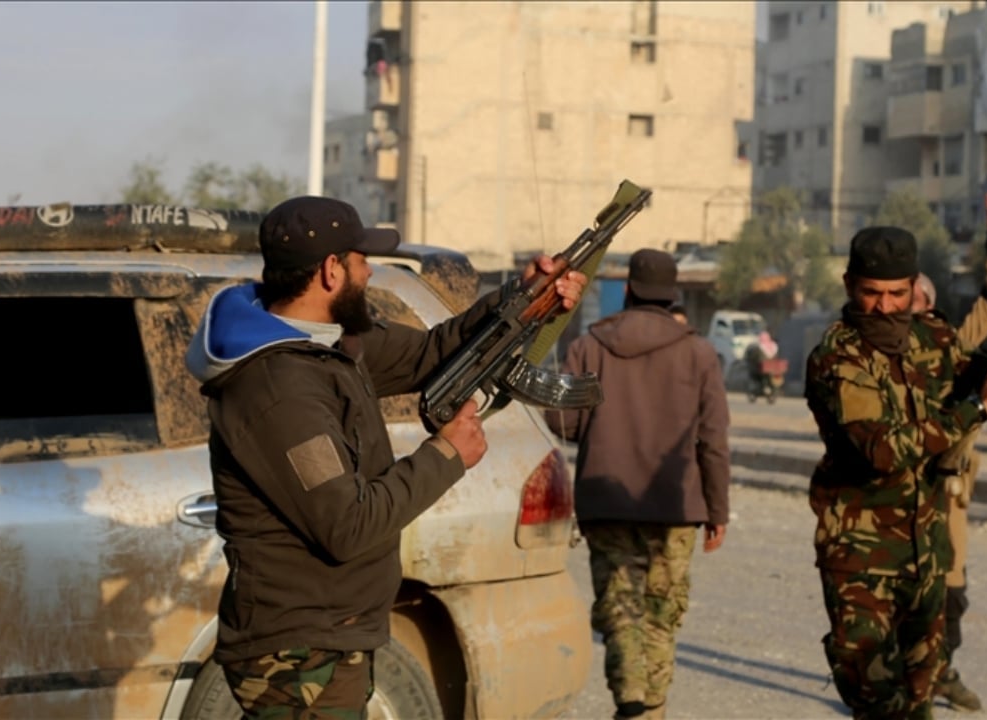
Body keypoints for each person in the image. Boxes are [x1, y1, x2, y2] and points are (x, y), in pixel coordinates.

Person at [184, 195, 587, 718]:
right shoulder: (279, 391)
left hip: (328, 635)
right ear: (331, 271)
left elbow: (431, 352)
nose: (370, 271)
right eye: (361, 259)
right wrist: (446, 454)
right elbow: (347, 523)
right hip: (299, 656)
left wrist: (524, 297)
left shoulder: (325, 342)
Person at [803, 224, 987, 720]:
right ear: (848, 286)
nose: (884, 307)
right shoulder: (836, 358)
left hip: (927, 553)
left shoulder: (935, 338)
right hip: (862, 562)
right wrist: (977, 410)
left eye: (896, 294)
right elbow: (882, 451)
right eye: (872, 294)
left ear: (913, 290)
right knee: (880, 705)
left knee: (921, 701)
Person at [545, 249, 730, 720]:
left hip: (606, 502)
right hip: (676, 507)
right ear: (673, 296)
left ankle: (631, 699)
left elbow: (562, 420)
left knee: (619, 608)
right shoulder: (700, 353)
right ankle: (650, 707)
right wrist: (718, 510)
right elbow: (713, 439)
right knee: (662, 612)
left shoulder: (589, 347)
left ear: (627, 291)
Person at [911, 189, 987, 713]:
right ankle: (905, 683)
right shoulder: (875, 356)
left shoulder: (952, 346)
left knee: (952, 590)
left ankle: (942, 672)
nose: (913, 313)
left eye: (920, 304)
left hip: (948, 489)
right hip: (900, 492)